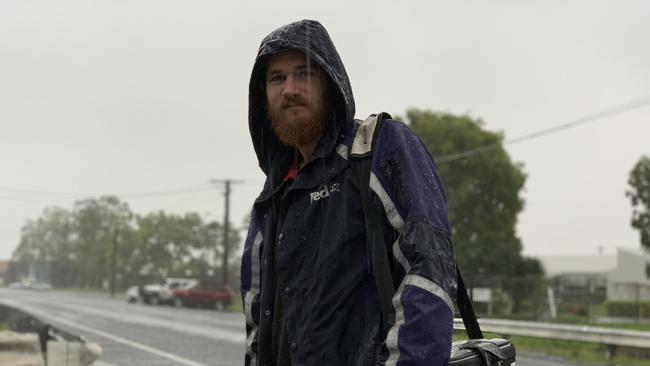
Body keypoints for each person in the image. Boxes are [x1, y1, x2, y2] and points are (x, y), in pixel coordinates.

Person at [241, 19, 457, 366]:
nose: (290, 89)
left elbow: (430, 271)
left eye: (305, 73)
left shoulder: (380, 149)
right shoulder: (274, 195)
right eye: (277, 78)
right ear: (262, 96)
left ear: (330, 82)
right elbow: (256, 316)